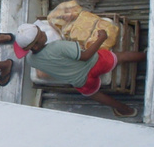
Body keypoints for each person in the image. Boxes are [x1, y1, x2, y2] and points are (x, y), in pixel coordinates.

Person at [13, 22, 146, 118]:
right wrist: (101, 38)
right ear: (35, 45)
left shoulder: (31, 60)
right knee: (120, 56)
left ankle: (126, 110)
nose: (43, 32)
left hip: (82, 81)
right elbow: (85, 56)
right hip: (95, 62)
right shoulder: (58, 46)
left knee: (94, 95)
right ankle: (145, 56)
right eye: (40, 34)